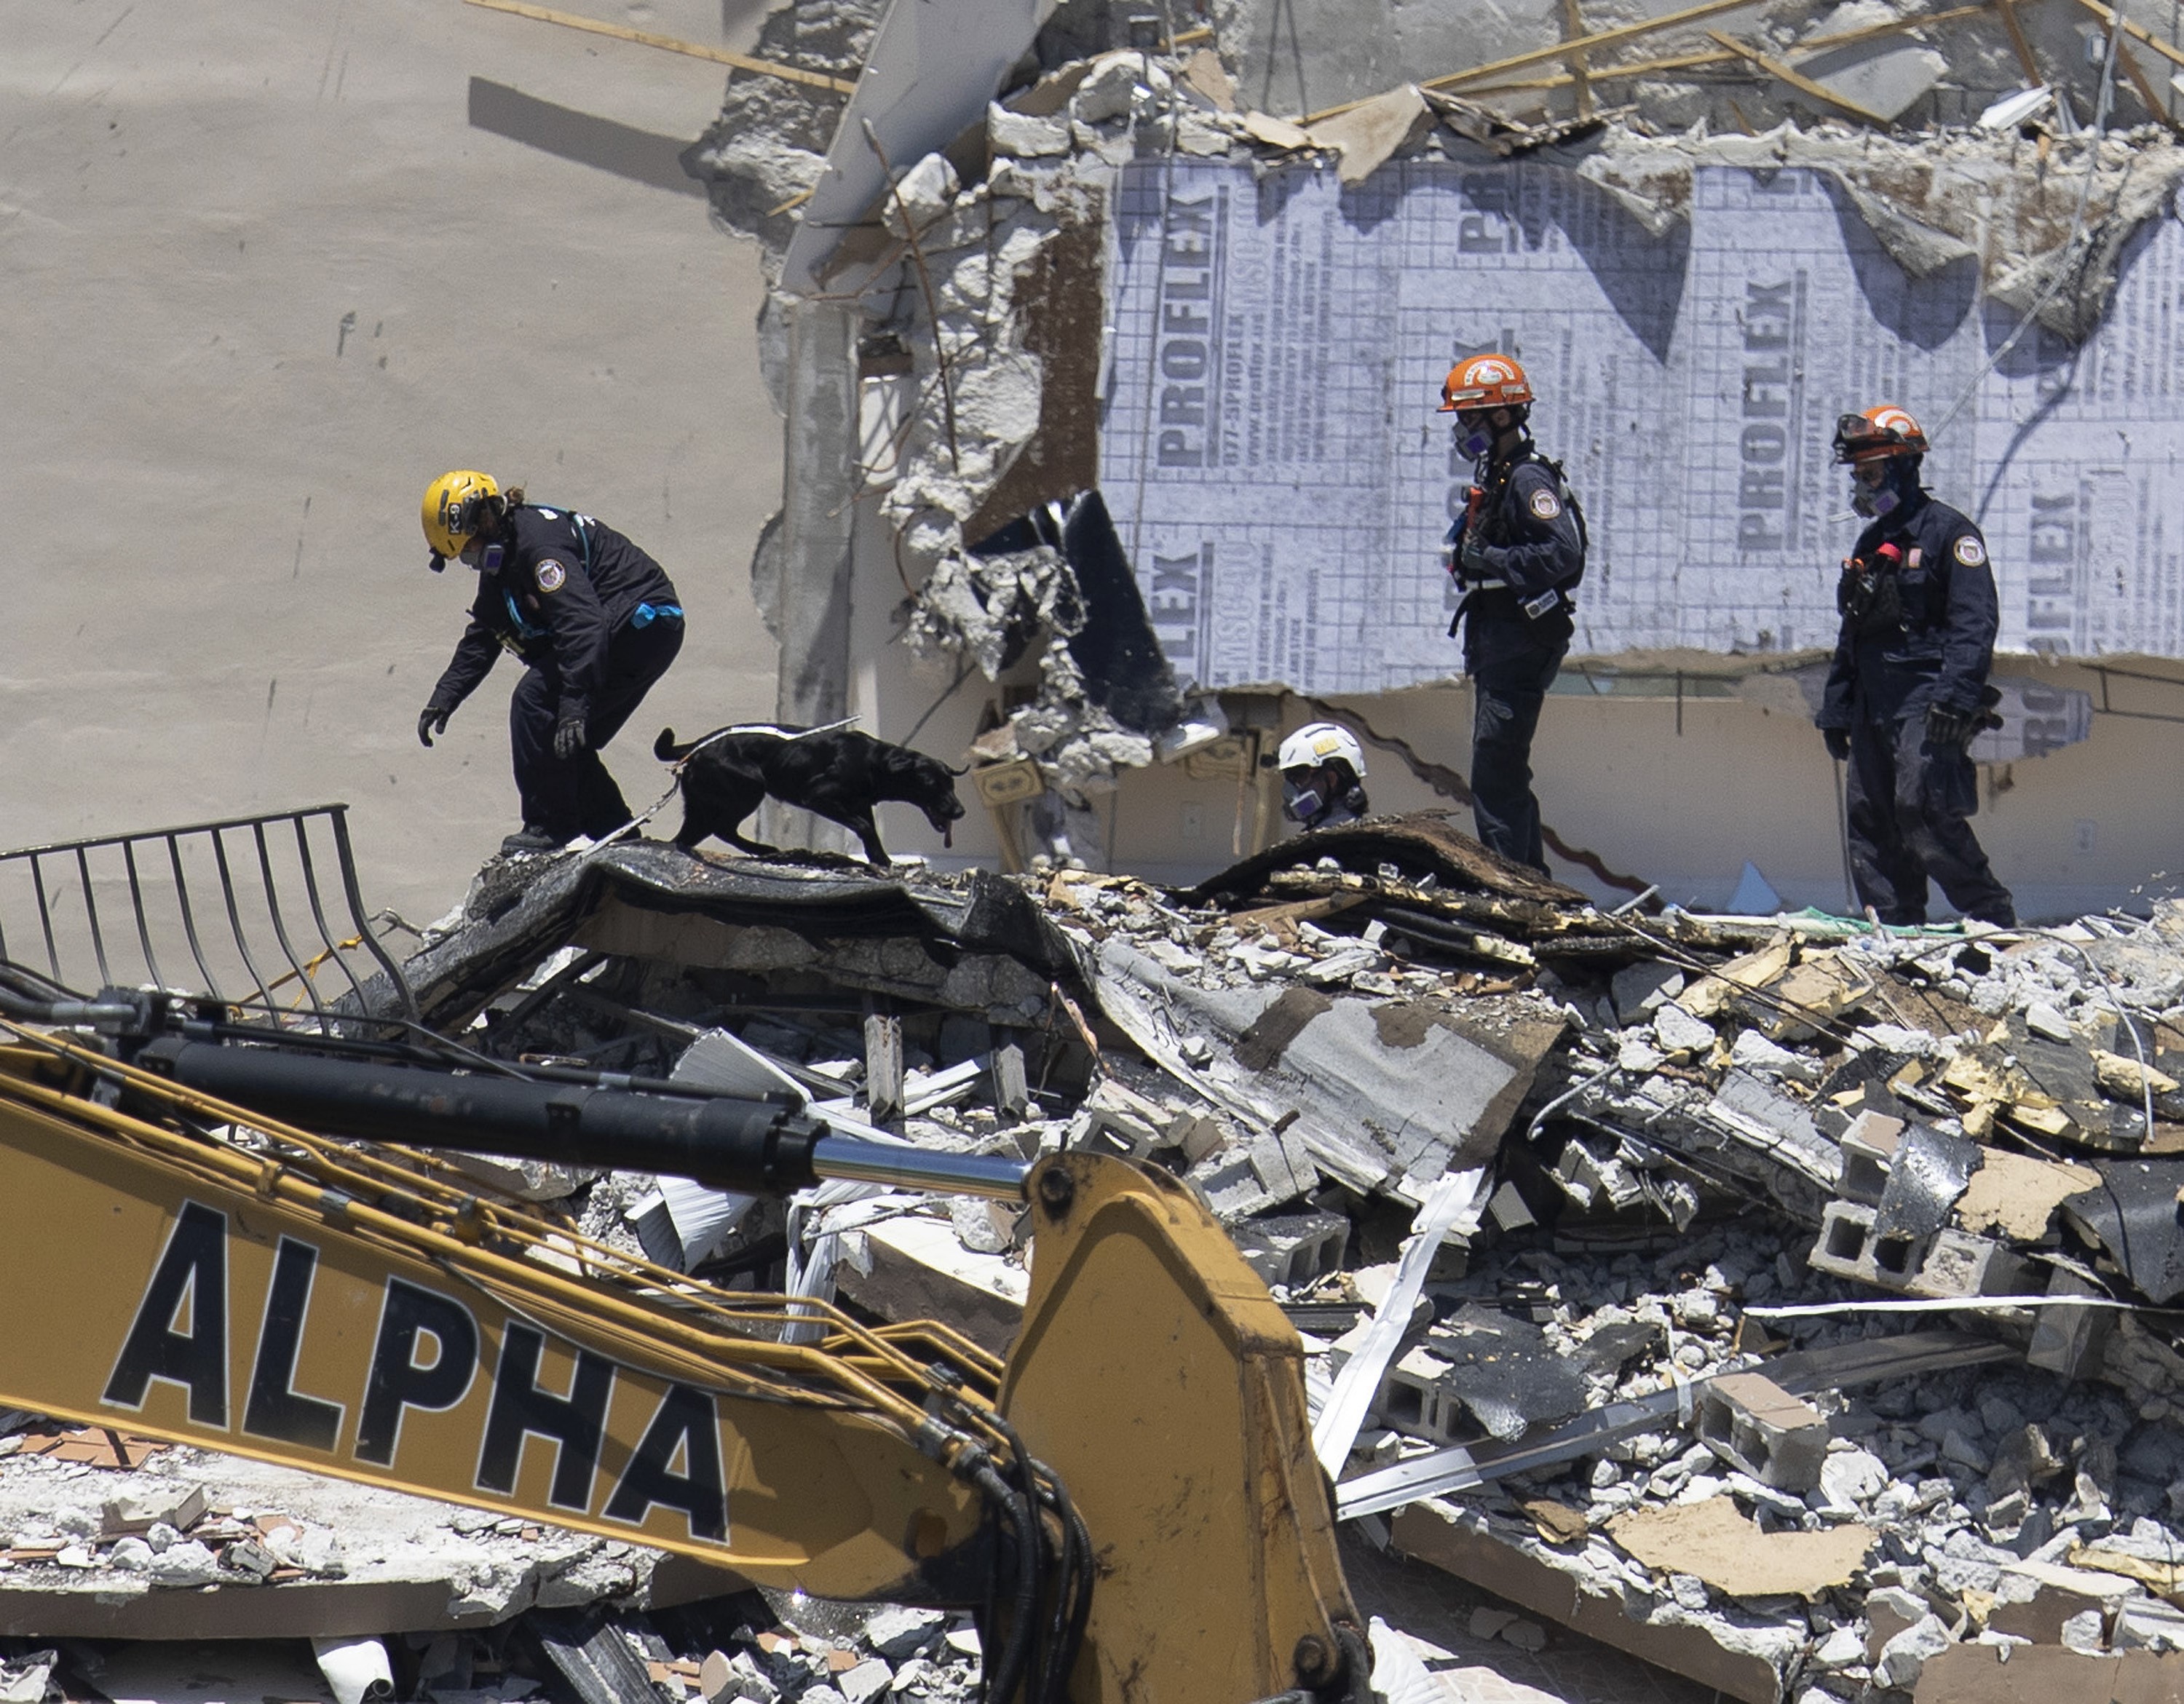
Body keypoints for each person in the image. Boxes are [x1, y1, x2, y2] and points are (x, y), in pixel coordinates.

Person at [415, 471, 685, 855]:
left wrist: (573, 703)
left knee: (535, 701)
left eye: (470, 549)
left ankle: (551, 829)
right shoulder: (505, 558)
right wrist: (444, 698)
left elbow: (584, 624)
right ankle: (615, 834)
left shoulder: (539, 548)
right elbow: (484, 634)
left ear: (484, 519)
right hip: (639, 628)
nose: (473, 561)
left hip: (642, 622)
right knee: (566, 740)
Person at [1815, 408, 2014, 927]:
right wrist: (1836, 708)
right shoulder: (1870, 545)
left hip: (1927, 701)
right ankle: (1896, 927)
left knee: (1920, 806)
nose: (1863, 484)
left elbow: (1976, 621)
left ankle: (1990, 913)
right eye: (1858, 475)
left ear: (1905, 467)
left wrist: (1957, 695)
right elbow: (1852, 634)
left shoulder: (1951, 534)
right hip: (1873, 705)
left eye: (1873, 473)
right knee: (1870, 820)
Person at [1439, 354, 1586, 875]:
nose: (1462, 430)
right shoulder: (1500, 474)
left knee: (1496, 773)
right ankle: (1527, 881)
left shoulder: (1526, 479)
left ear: (1501, 416)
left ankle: (1512, 887)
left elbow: (1563, 555)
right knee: (1503, 771)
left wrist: (1492, 559)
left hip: (1519, 642)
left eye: (1469, 417)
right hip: (1500, 642)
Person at [1278, 722, 1371, 831]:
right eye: (1289, 779)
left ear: (1332, 779)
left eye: (1298, 776)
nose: (1290, 789)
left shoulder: (1328, 843)